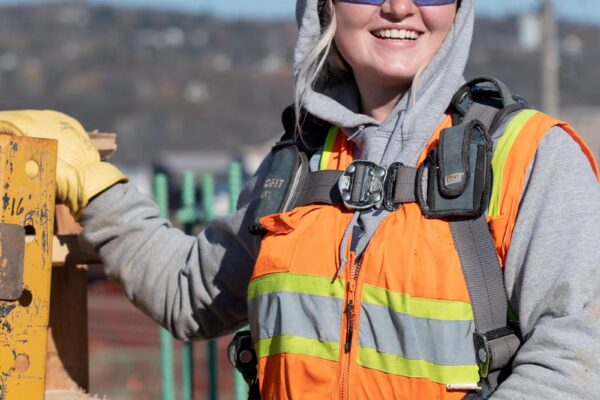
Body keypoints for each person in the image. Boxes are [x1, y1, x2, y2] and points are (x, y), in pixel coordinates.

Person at [1, 0, 599, 399]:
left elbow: (577, 360)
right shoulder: (296, 166)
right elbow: (188, 294)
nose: (398, 5)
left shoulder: (527, 158)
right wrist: (92, 182)